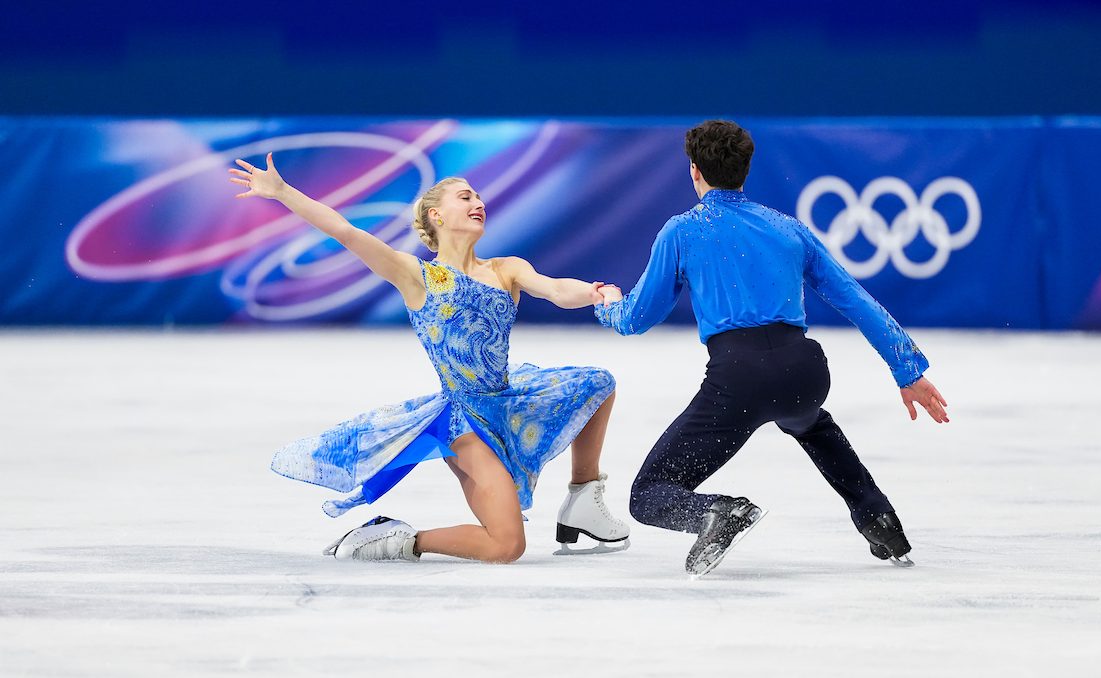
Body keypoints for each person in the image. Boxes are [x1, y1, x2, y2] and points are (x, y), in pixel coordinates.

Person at [229, 153, 630, 563]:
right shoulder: (414, 275)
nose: (479, 203)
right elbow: (345, 231)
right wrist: (282, 192)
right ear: (436, 215)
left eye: (478, 197)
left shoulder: (506, 268)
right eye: (465, 197)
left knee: (597, 382)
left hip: (508, 404)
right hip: (464, 422)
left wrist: (595, 293)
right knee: (506, 546)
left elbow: (556, 289)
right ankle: (397, 539)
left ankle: (583, 496)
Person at [594, 120, 949, 577]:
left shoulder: (682, 231)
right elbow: (855, 300)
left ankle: (716, 514)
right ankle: (879, 518)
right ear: (745, 170)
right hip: (805, 372)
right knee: (812, 425)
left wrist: (609, 305)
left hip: (739, 378)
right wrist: (908, 372)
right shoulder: (788, 229)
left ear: (695, 171)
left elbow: (637, 317)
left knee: (648, 494)